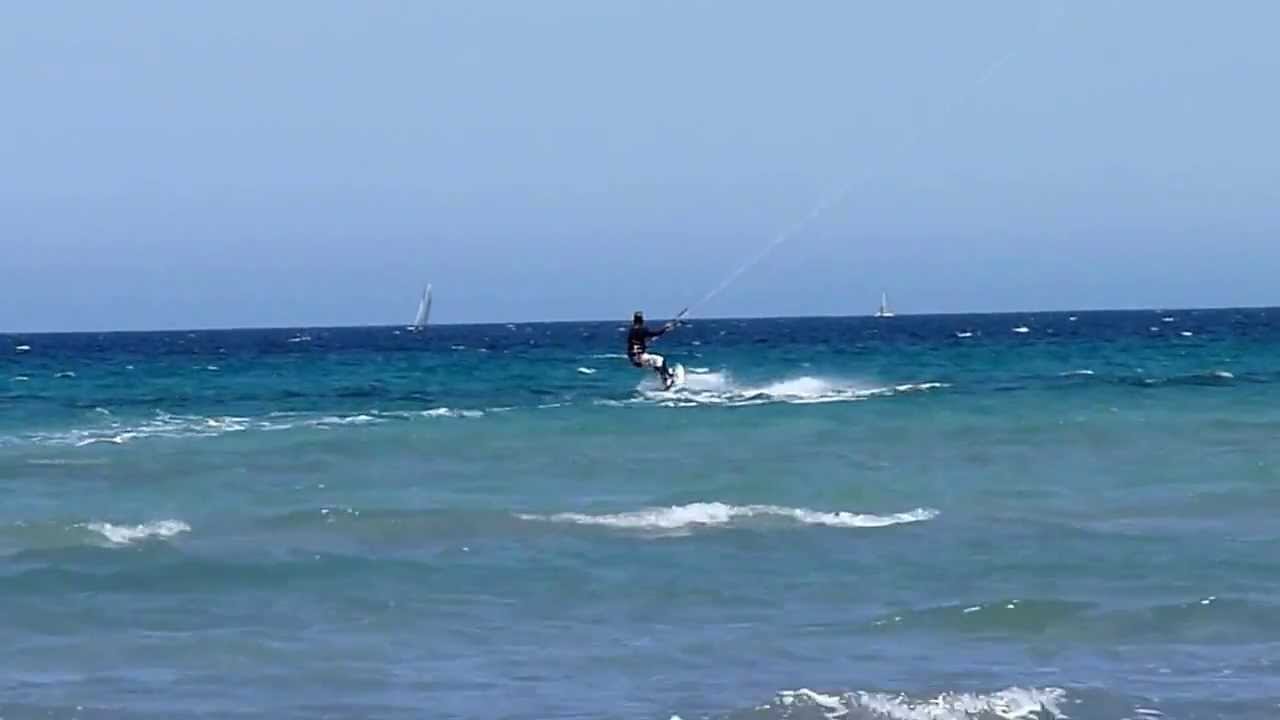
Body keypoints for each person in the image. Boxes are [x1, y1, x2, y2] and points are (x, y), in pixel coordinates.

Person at [627, 311, 678, 389]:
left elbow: (634, 343)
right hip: (641, 357)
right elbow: (655, 333)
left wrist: (643, 345)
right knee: (661, 359)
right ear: (642, 320)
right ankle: (667, 378)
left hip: (633, 359)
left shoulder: (631, 330)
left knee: (655, 365)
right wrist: (665, 328)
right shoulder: (643, 329)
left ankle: (666, 378)